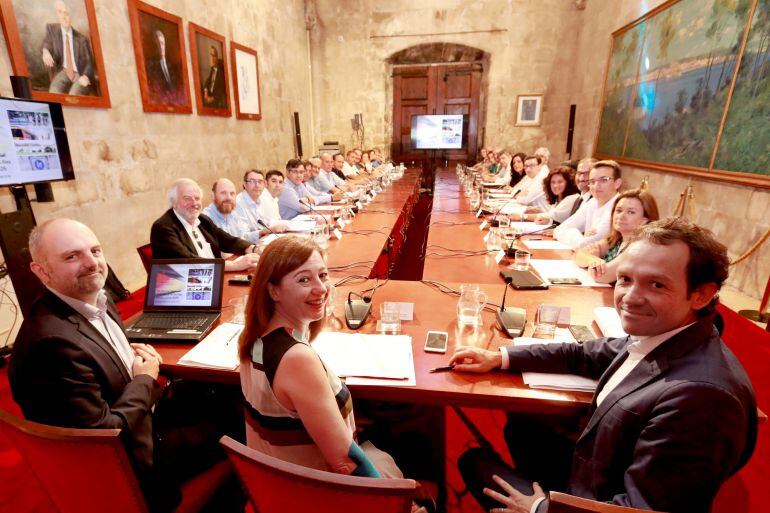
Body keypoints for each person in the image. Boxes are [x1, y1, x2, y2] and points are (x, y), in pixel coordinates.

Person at [450, 217, 757, 513]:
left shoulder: (701, 399)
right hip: (599, 468)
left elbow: (642, 509)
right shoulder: (669, 333)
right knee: (522, 423)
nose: (629, 297)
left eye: (656, 285)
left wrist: (539, 508)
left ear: (701, 295)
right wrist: (500, 357)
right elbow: (584, 353)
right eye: (625, 279)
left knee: (474, 462)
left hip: (599, 500)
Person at [9, 218, 244, 512]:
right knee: (241, 429)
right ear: (41, 271)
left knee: (230, 396)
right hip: (136, 460)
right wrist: (145, 379)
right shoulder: (50, 345)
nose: (91, 263)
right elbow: (104, 436)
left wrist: (126, 358)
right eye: (72, 256)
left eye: (95, 251)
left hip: (140, 414)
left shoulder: (94, 302)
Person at [237, 236, 433, 510]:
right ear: (273, 291)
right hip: (318, 496)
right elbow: (345, 463)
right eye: (303, 280)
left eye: (323, 275)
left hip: (280, 490)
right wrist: (400, 508)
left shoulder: (253, 339)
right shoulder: (297, 358)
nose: (321, 289)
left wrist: (340, 418)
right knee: (420, 446)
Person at [150, 178, 259, 271]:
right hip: (187, 287)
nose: (194, 203)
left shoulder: (202, 219)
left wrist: (253, 248)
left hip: (214, 277)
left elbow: (227, 240)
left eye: (197, 198)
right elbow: (188, 262)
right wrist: (235, 265)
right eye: (187, 198)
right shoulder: (163, 227)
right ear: (174, 202)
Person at [575, 189, 660, 283]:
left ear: (645, 219)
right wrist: (593, 260)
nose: (621, 216)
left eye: (631, 212)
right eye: (618, 210)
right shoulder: (616, 239)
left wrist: (591, 263)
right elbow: (578, 254)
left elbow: (601, 276)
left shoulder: (641, 247)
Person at [553, 159, 622, 249]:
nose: (596, 185)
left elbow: (586, 245)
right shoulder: (593, 202)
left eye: (603, 180)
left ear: (617, 183)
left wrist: (577, 236)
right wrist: (582, 237)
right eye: (592, 181)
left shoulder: (619, 208)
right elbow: (559, 230)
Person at [41, 1, 96, 96]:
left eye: (66, 13)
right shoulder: (52, 30)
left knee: (74, 96)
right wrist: (45, 51)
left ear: (71, 16)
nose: (63, 17)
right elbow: (47, 42)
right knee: (54, 92)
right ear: (57, 15)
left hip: (80, 73)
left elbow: (89, 63)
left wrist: (86, 76)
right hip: (64, 71)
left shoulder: (81, 39)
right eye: (60, 12)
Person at [203, 178, 260, 242]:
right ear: (213, 196)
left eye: (232, 193)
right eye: (223, 193)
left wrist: (262, 233)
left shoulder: (234, 214)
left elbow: (243, 237)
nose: (229, 197)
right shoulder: (205, 219)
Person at [234, 169, 287, 234]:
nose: (257, 185)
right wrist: (266, 231)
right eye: (252, 181)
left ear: (264, 184)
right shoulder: (238, 203)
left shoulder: (259, 200)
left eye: (260, 181)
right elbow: (243, 236)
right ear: (245, 184)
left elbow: (265, 225)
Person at [146, 30, 184, 104]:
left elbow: (177, 87)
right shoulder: (151, 64)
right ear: (155, 45)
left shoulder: (172, 66)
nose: (161, 47)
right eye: (158, 44)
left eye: (162, 44)